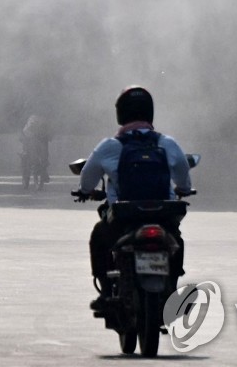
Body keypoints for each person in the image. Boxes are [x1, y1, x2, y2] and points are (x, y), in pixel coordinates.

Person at [75, 86, 193, 309]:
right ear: (149, 111)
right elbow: (183, 176)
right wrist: (184, 190)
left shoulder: (109, 146)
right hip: (163, 214)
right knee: (175, 241)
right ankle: (172, 291)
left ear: (121, 113)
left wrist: (84, 191)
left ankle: (105, 292)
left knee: (99, 237)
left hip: (124, 216)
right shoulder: (166, 143)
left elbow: (87, 179)